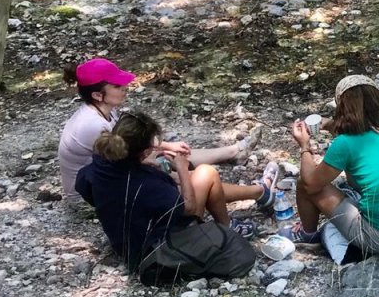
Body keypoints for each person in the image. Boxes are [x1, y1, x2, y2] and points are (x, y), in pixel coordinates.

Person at [76, 113, 274, 270]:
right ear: (144, 152)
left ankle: (259, 191)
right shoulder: (145, 183)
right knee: (207, 173)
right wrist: (181, 168)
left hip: (126, 242)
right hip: (156, 249)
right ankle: (227, 228)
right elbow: (189, 207)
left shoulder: (98, 168)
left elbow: (85, 189)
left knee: (195, 179)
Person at [58, 58, 262, 202]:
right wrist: (164, 164)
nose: (125, 88)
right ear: (97, 95)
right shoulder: (94, 125)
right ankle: (255, 192)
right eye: (117, 86)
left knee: (168, 155)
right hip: (90, 194)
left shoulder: (103, 110)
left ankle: (234, 152)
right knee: (177, 178)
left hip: (106, 176)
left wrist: (167, 146)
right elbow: (124, 160)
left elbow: (130, 144)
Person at [286, 75, 379, 256]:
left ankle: (308, 236)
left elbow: (311, 184)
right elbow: (360, 139)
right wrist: (331, 126)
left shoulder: (345, 143)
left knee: (303, 183)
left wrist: (304, 146)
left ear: (342, 107)